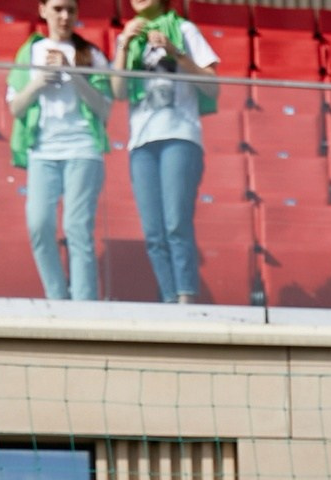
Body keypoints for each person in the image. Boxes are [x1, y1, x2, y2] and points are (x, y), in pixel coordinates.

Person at [8, 0, 111, 300]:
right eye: (57, 9)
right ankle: (56, 298)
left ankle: (83, 303)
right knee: (39, 225)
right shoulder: (29, 52)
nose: (65, 16)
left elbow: (105, 109)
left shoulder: (91, 54)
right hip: (42, 149)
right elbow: (16, 106)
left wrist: (74, 74)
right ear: (42, 10)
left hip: (82, 147)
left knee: (76, 227)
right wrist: (39, 81)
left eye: (71, 10)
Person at [115, 0, 215, 303]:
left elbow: (213, 85)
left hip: (179, 135)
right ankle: (170, 299)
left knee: (175, 222)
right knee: (154, 231)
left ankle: (186, 296)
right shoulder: (128, 35)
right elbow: (118, 92)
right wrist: (123, 46)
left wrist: (176, 53)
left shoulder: (185, 29)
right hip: (142, 142)